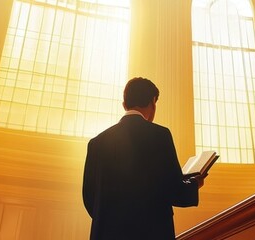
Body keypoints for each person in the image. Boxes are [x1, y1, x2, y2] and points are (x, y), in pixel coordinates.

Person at [82, 77, 205, 239]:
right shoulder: (160, 135)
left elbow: (89, 197)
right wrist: (195, 184)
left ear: (124, 104)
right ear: (153, 103)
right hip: (151, 232)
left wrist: (111, 222)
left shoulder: (96, 143)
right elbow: (173, 190)